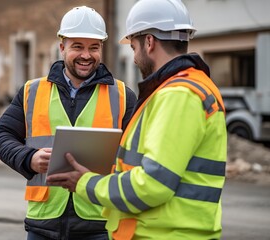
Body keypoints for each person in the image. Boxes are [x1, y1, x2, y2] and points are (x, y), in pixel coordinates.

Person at [46, 0, 228, 239]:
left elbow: (153, 184)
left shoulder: (178, 95)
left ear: (149, 42)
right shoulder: (180, 89)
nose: (133, 58)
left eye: (133, 47)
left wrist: (86, 183)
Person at [0, 5, 137, 240]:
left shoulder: (122, 95)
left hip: (99, 223)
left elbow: (136, 154)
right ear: (62, 47)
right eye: (77, 46)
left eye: (94, 47)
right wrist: (28, 158)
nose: (86, 55)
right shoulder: (32, 91)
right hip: (43, 223)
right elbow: (1, 136)